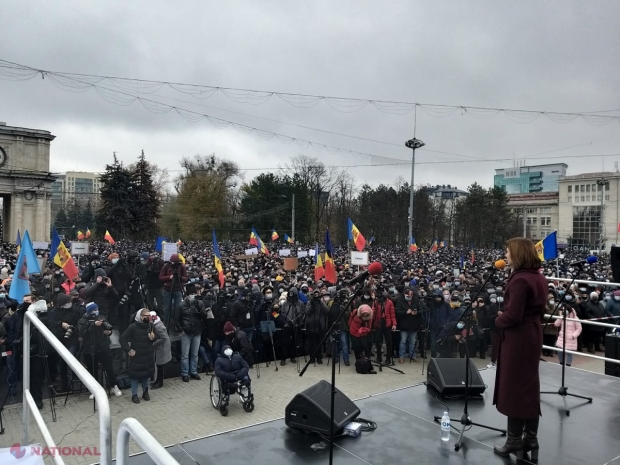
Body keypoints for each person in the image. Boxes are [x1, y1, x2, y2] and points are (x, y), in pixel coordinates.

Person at [493, 238, 547, 461]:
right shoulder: (539, 277)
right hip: (533, 333)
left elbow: (513, 315)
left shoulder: (520, 280)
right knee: (529, 385)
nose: (506, 254)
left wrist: (499, 319)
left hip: (519, 338)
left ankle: (514, 439)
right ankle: (530, 437)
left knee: (515, 387)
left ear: (518, 254)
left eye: (508, 251)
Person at [78, 302, 123, 399]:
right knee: (93, 370)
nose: (96, 311)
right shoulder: (82, 320)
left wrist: (108, 332)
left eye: (97, 309)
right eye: (94, 310)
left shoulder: (102, 317)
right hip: (89, 348)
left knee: (109, 367)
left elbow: (108, 327)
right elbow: (82, 333)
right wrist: (93, 325)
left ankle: (114, 386)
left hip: (103, 346)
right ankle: (95, 389)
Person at [120, 308, 157, 404]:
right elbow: (123, 339)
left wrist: (153, 338)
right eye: (146, 316)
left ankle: (146, 392)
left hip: (148, 355)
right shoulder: (133, 327)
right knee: (135, 376)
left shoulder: (151, 325)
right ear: (140, 316)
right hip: (136, 356)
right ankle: (134, 395)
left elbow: (155, 337)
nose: (148, 318)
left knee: (147, 375)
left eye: (149, 316)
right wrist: (128, 350)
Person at [50, 294, 83, 392]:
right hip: (60, 338)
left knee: (71, 356)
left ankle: (76, 376)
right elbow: (51, 324)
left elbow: (80, 323)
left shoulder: (76, 310)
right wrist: (61, 324)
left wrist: (73, 329)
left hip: (72, 338)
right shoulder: (54, 312)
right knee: (62, 361)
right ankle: (64, 384)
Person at [176, 284, 206, 382]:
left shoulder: (200, 303)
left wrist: (198, 308)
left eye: (194, 293)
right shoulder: (181, 305)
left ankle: (194, 372)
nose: (193, 295)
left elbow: (204, 316)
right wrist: (181, 330)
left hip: (197, 332)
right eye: (191, 294)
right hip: (186, 333)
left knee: (195, 354)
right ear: (187, 295)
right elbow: (177, 319)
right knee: (185, 355)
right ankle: (185, 373)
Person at [395, 287, 424, 363]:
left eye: (410, 295)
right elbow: (397, 311)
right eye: (407, 296)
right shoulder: (400, 301)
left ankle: (412, 355)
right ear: (404, 295)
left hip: (414, 324)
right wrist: (405, 312)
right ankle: (401, 356)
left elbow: (421, 310)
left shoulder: (416, 301)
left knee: (412, 341)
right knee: (403, 341)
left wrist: (416, 312)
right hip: (404, 325)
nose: (409, 297)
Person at [159, 254, 188, 329]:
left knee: (178, 308)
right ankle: (166, 324)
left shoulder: (181, 267)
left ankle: (177, 324)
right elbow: (160, 277)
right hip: (168, 290)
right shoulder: (166, 266)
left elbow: (186, 278)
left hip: (178, 289)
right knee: (167, 308)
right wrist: (169, 277)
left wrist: (180, 277)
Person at [372, 286, 396, 364]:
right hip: (378, 323)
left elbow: (392, 314)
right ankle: (379, 357)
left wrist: (394, 324)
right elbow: (373, 312)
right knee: (378, 342)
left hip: (387, 323)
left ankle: (388, 358)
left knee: (389, 341)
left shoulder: (389, 302)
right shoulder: (376, 302)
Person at [304, 290, 329, 364]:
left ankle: (318, 357)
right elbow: (307, 313)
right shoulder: (309, 303)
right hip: (311, 325)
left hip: (320, 325)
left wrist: (321, 303)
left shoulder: (322, 303)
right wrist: (312, 304)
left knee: (319, 342)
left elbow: (327, 311)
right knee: (311, 343)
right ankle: (312, 357)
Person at [554, 302, 582, 367]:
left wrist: (573, 335)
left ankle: (568, 364)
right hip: (562, 337)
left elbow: (579, 328)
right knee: (560, 351)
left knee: (570, 353)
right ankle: (561, 363)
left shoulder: (575, 318)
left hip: (571, 338)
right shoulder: (562, 317)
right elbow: (556, 324)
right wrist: (560, 317)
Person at [149, 311, 171, 389]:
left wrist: (154, 343)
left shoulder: (158, 327)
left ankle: (160, 382)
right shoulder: (157, 324)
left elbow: (164, 337)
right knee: (159, 364)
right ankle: (158, 380)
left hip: (162, 347)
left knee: (159, 365)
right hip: (161, 347)